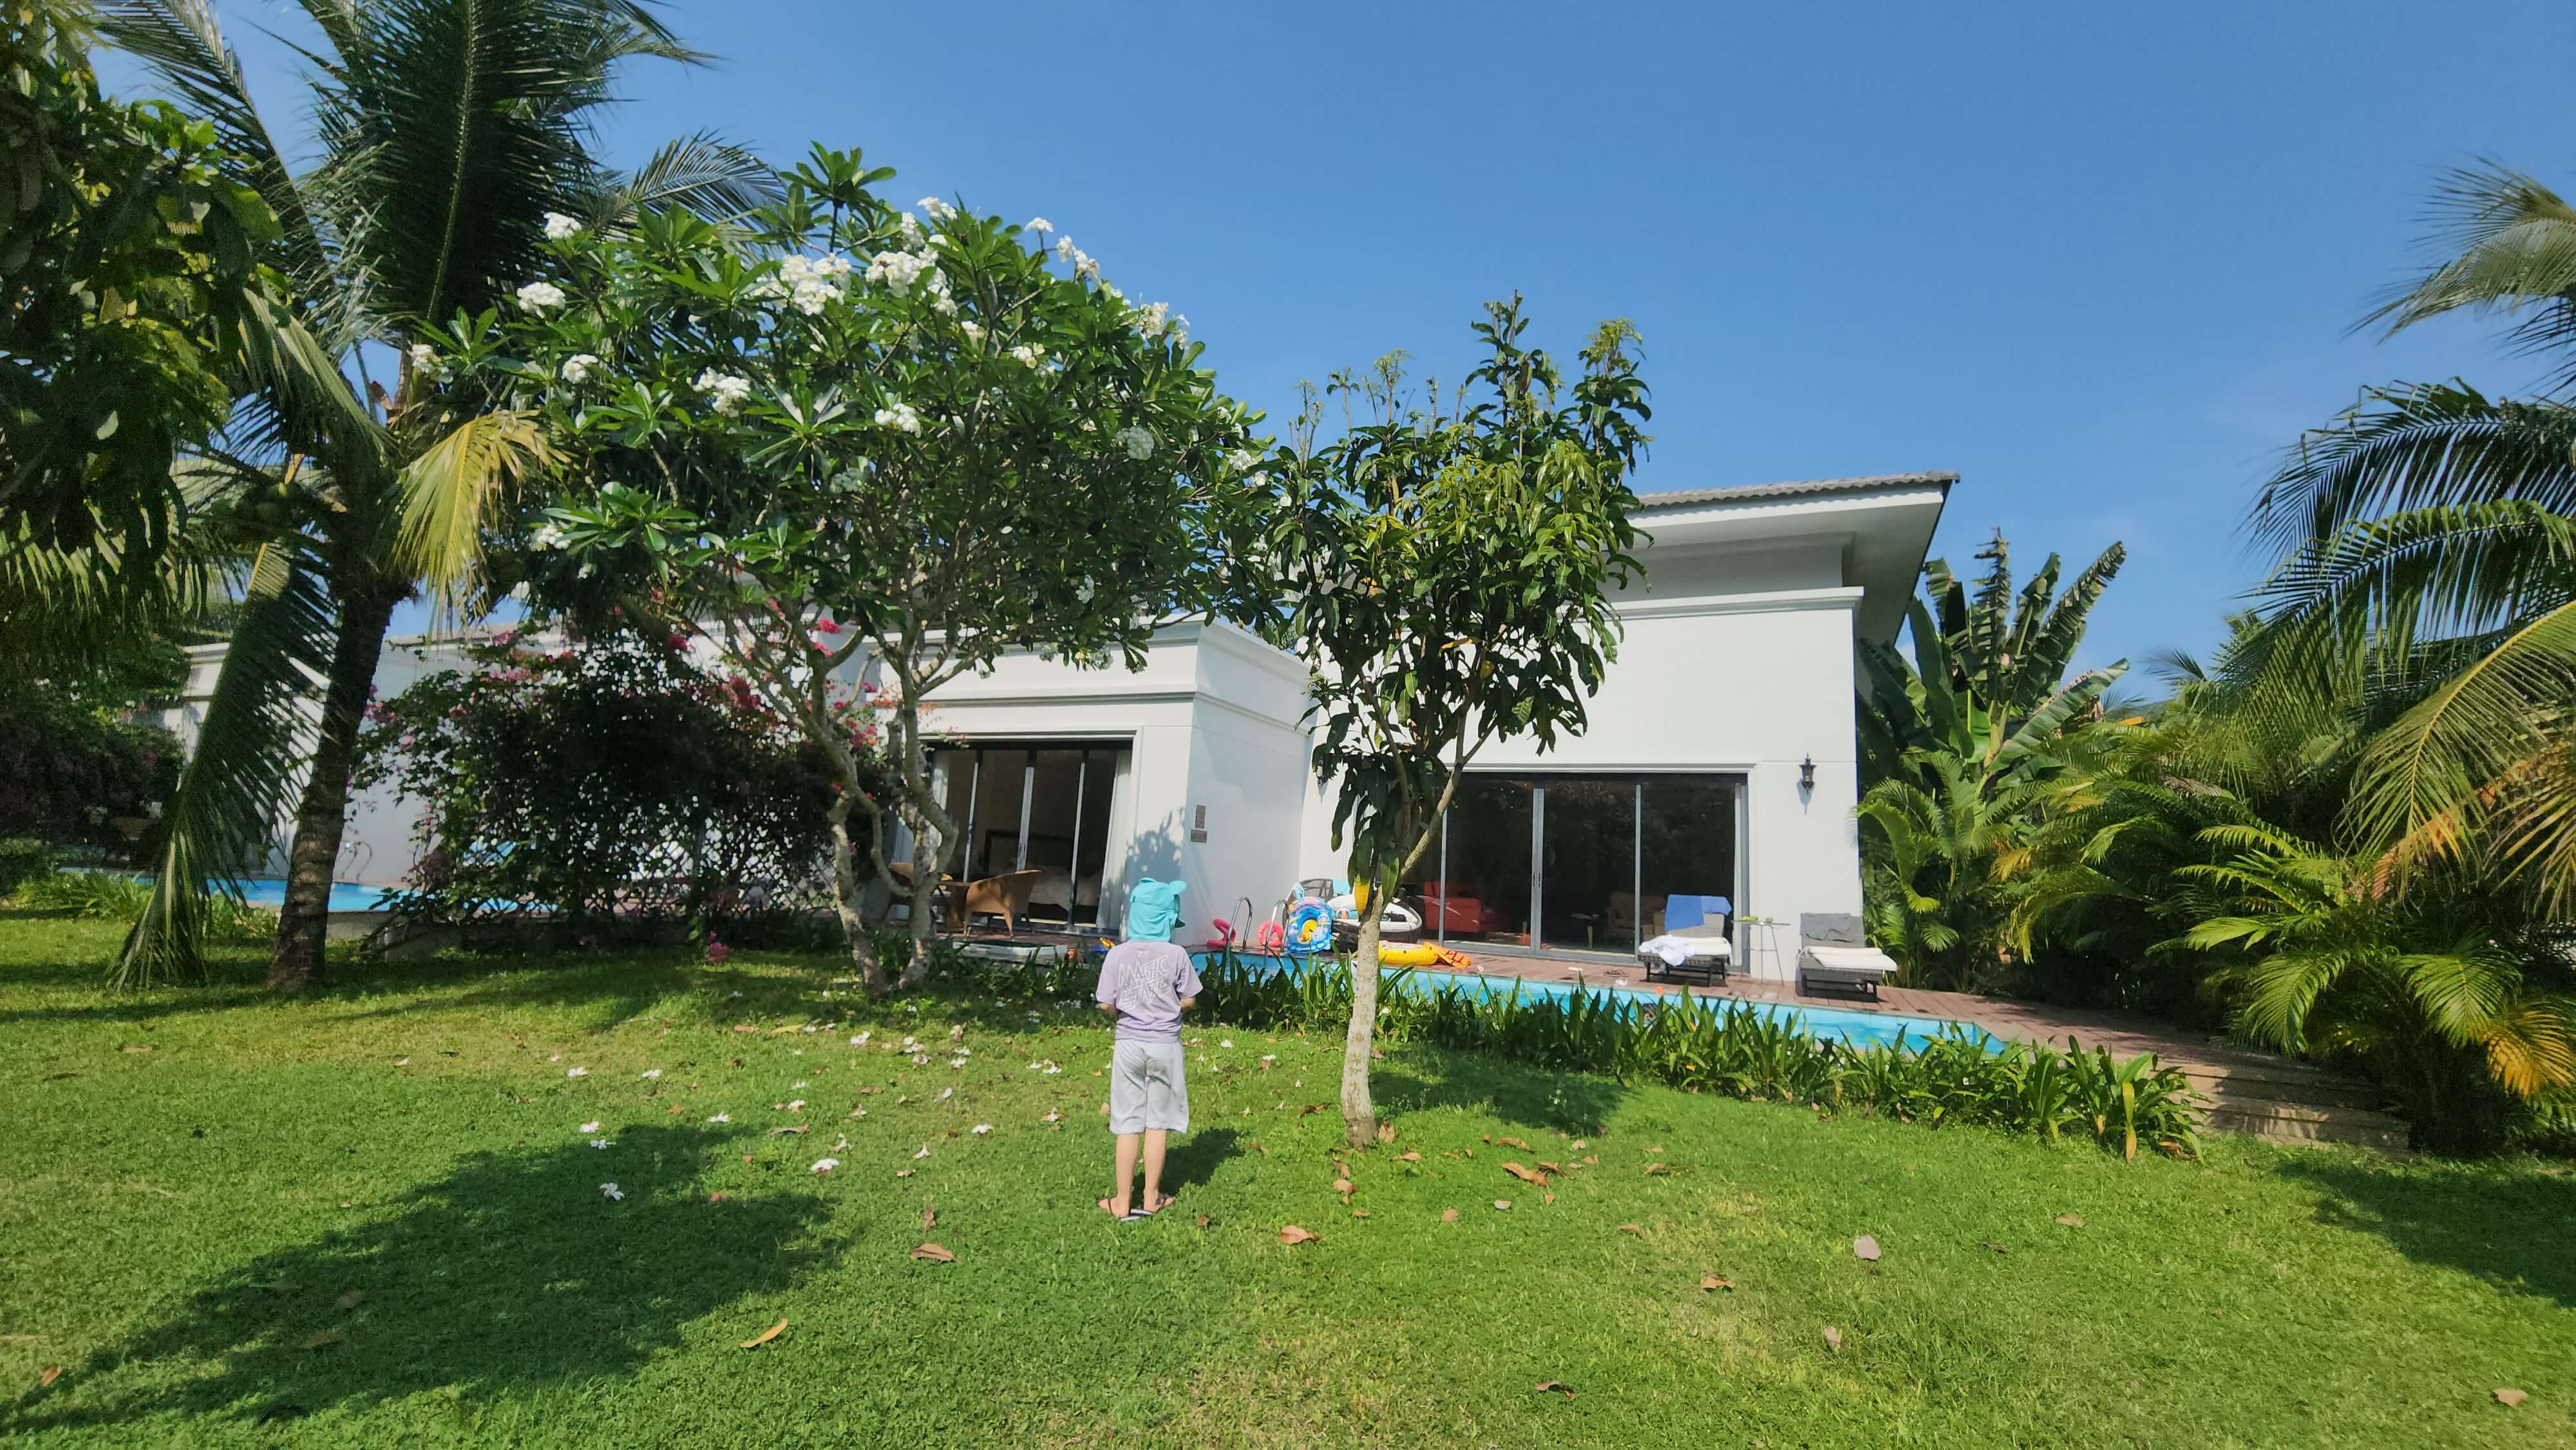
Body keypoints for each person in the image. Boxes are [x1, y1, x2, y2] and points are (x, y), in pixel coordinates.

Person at [1095, 877, 1202, 1220]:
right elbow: (1190, 1000)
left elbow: (1105, 1004)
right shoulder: (1177, 955)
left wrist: (1121, 1012)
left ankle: (1122, 1202)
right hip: (1165, 1046)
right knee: (1158, 1122)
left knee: (1127, 1122)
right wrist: (1172, 1006)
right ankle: (1152, 1197)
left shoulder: (1117, 955)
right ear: (1168, 919)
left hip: (1128, 1044)